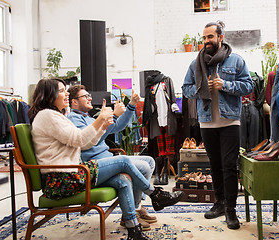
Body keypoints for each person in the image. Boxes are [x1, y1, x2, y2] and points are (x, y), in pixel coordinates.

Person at [28, 78, 184, 240]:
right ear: (48, 95)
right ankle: (155, 195)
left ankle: (134, 230)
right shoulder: (48, 116)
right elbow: (81, 141)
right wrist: (101, 120)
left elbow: (88, 140)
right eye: (61, 91)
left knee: (123, 180)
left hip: (69, 176)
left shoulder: (53, 115)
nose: (66, 93)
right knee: (124, 162)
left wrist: (101, 123)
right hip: (62, 179)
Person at [182, 21, 253, 230]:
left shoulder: (236, 60)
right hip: (207, 122)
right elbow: (186, 89)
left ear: (220, 37)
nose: (206, 41)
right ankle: (219, 203)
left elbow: (248, 86)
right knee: (215, 166)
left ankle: (231, 210)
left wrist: (226, 85)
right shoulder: (196, 64)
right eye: (204, 38)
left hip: (230, 121)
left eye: (210, 37)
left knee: (230, 166)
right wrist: (201, 88)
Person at [67, 84, 157, 231]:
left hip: (107, 160)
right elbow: (87, 142)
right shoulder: (73, 119)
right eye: (85, 96)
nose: (89, 98)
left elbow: (117, 126)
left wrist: (131, 106)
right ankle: (143, 204)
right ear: (74, 102)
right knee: (144, 167)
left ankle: (136, 208)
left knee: (149, 161)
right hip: (95, 165)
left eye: (89, 95)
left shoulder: (88, 118)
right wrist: (111, 116)